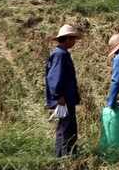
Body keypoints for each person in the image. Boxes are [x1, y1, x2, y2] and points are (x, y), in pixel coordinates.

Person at [45, 24, 81, 157]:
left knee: (65, 127)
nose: (74, 42)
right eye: (73, 39)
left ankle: (62, 156)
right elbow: (54, 76)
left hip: (66, 98)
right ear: (66, 39)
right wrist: (59, 96)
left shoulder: (61, 53)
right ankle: (66, 157)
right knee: (67, 129)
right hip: (63, 99)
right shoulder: (60, 55)